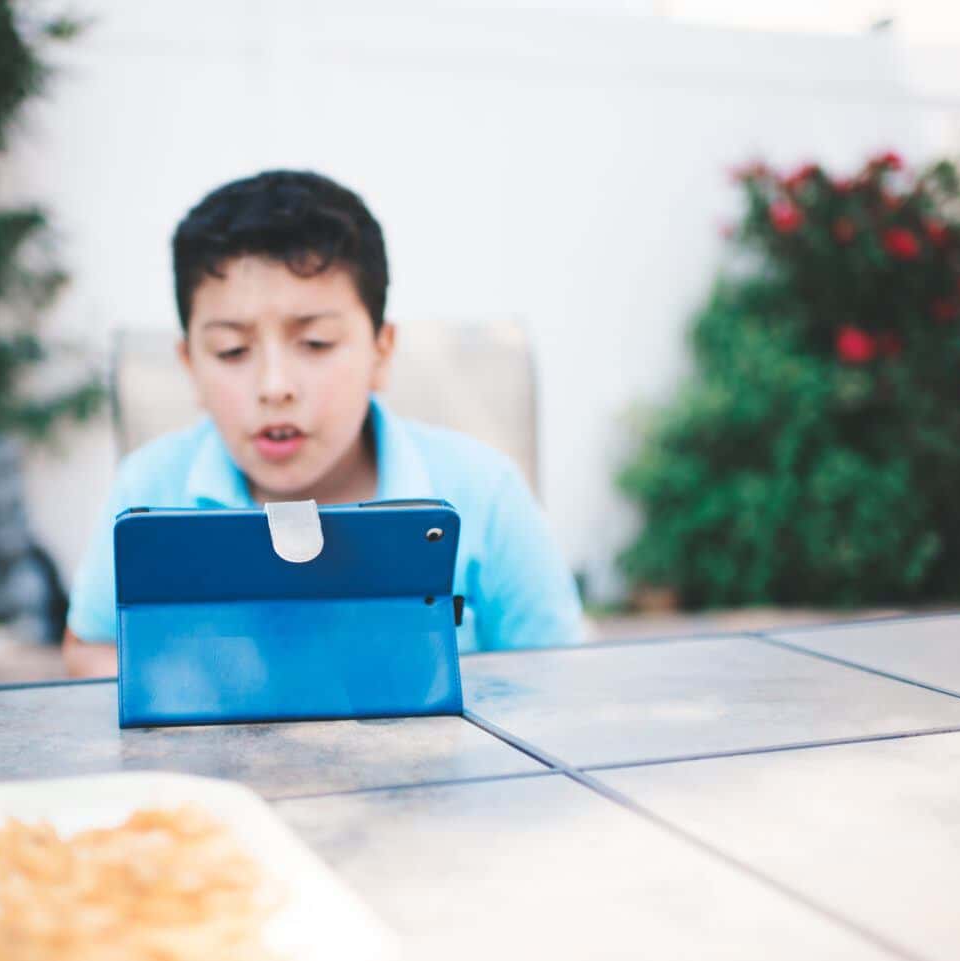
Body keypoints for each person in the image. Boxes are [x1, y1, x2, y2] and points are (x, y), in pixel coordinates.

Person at [61, 170, 582, 677]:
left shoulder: (484, 492)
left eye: (316, 344)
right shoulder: (148, 488)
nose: (274, 386)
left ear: (381, 352)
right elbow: (90, 649)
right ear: (190, 366)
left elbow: (557, 671)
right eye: (232, 349)